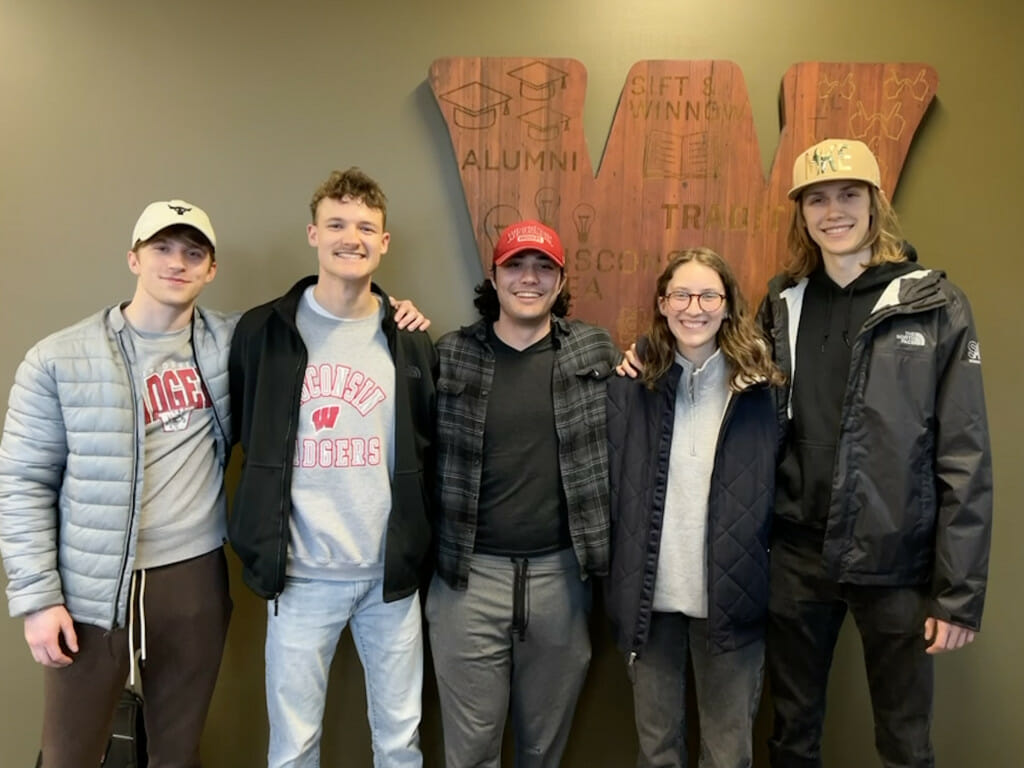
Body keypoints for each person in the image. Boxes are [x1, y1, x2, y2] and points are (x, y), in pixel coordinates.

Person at [759, 138, 992, 767]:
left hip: (897, 562)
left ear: (874, 204)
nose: (833, 211)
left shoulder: (933, 302)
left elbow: (965, 453)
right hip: (798, 556)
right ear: (802, 213)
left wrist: (958, 594)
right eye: (817, 199)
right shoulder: (782, 303)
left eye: (848, 195)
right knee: (791, 734)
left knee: (904, 743)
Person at [0, 199, 234, 767]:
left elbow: (321, 323)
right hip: (90, 582)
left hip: (194, 577)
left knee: (176, 754)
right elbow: (23, 482)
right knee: (69, 754)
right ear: (133, 258)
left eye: (192, 252)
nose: (176, 263)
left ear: (210, 270)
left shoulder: (235, 346)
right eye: (162, 248)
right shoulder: (57, 358)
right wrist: (37, 599)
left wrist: (386, 307)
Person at [228, 167, 437, 768]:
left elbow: (425, 442)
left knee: (400, 744)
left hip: (389, 579)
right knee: (293, 748)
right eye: (338, 224)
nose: (353, 237)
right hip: (299, 577)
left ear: (385, 242)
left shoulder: (410, 338)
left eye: (367, 227)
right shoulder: (264, 332)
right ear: (312, 235)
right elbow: (243, 432)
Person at [426, 220, 620, 768]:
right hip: (467, 580)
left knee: (542, 750)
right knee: (471, 752)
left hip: (561, 579)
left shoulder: (594, 350)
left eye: (544, 267)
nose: (529, 278)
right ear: (494, 276)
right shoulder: (452, 355)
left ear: (561, 281)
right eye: (515, 265)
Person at [605, 247, 783, 768]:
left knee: (727, 755)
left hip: (733, 601)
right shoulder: (632, 384)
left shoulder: (761, 390)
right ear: (662, 303)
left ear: (728, 306)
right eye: (680, 294)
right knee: (656, 750)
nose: (694, 307)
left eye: (709, 295)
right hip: (649, 603)